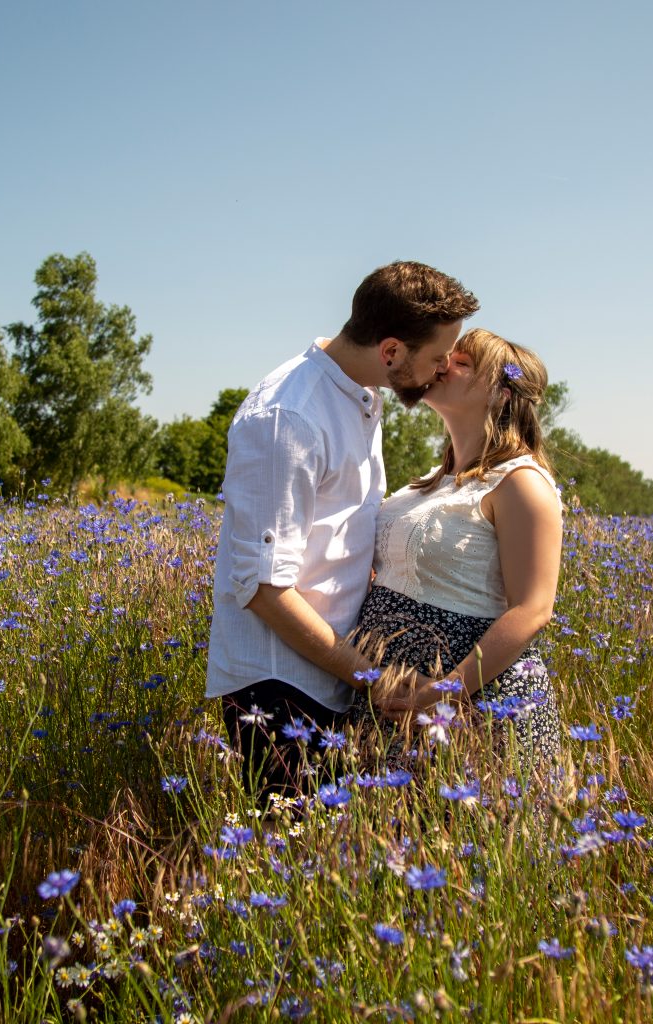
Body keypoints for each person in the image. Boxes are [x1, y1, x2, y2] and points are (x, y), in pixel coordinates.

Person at [207, 260, 480, 797]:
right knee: (292, 840)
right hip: (281, 685)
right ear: (391, 351)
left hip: (330, 674)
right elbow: (262, 588)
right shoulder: (288, 418)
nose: (443, 368)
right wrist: (371, 677)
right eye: (437, 357)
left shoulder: (359, 397)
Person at [354, 328, 564, 778]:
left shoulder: (521, 483)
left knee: (459, 818)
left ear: (502, 394)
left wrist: (447, 690)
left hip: (473, 700)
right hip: (395, 692)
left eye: (464, 362)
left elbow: (533, 608)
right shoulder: (430, 482)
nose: (444, 363)